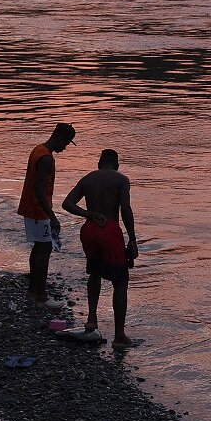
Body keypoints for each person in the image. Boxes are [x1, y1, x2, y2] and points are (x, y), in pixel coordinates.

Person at [62, 148, 140, 347]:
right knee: (120, 281)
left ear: (98, 163)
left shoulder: (88, 178)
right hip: (110, 230)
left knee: (95, 273)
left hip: (89, 230)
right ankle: (120, 336)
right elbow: (126, 209)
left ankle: (91, 320)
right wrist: (132, 238)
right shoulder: (121, 180)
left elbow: (67, 203)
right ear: (117, 165)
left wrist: (89, 214)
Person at [17, 121, 76, 309]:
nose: (65, 148)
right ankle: (40, 296)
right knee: (44, 251)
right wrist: (52, 216)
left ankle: (32, 292)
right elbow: (40, 190)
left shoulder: (38, 150)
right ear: (59, 138)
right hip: (38, 210)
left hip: (30, 208)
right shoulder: (46, 159)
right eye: (66, 143)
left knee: (38, 250)